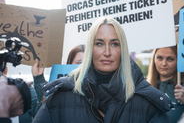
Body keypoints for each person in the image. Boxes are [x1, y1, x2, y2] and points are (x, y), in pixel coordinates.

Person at [33, 17, 173, 123]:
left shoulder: (147, 101)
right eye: (99, 43)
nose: (107, 52)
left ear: (123, 49)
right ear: (90, 49)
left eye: (114, 44)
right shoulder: (61, 97)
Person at [147, 45, 184, 123]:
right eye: (159, 58)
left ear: (178, 61)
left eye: (170, 59)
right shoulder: (145, 88)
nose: (164, 63)